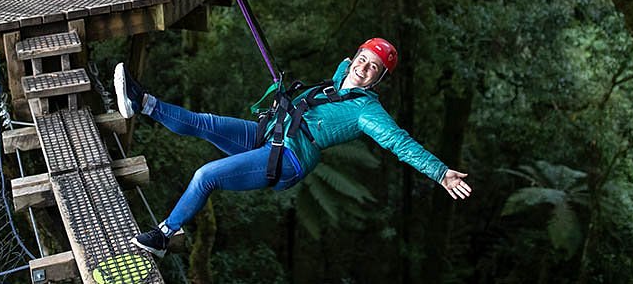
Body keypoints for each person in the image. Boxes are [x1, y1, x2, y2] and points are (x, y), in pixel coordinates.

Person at [113, 37, 473, 258]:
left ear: (379, 80)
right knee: (204, 122)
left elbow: (399, 142)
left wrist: (440, 172)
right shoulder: (339, 77)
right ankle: (141, 102)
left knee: (205, 175)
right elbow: (320, 97)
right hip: (272, 130)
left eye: (373, 68)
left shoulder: (368, 112)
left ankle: (162, 236)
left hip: (288, 157)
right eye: (363, 58)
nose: (363, 67)